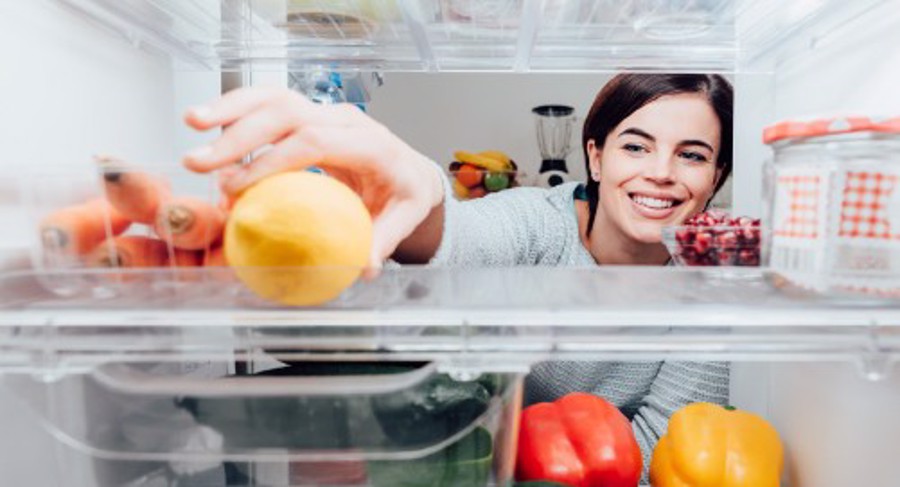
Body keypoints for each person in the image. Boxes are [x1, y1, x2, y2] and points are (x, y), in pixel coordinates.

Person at [182, 73, 733, 478]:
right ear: (595, 157)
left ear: (716, 177)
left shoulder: (712, 284)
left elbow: (667, 450)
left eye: (691, 155)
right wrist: (419, 190)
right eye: (635, 146)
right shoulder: (539, 220)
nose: (659, 173)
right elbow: (463, 240)